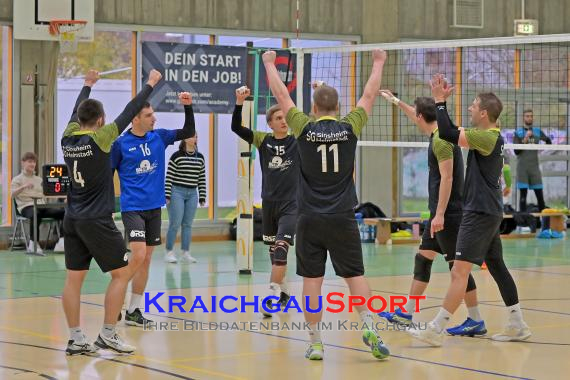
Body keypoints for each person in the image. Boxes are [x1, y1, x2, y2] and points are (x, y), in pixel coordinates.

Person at [263, 49, 390, 361]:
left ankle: (316, 342)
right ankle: (370, 326)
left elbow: (280, 93)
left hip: (308, 217)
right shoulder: (350, 127)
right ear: (337, 107)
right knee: (355, 276)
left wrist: (268, 63)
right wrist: (378, 62)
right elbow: (370, 93)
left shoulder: (303, 128)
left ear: (315, 108)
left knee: (312, 281)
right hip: (343, 216)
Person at [409, 74, 531, 346]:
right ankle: (517, 323)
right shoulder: (488, 136)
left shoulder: (487, 137)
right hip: (487, 211)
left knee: (458, 272)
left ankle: (435, 329)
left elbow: (449, 133)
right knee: (497, 266)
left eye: (474, 105)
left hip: (479, 214)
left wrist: (440, 101)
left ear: (485, 113)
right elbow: (450, 128)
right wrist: (439, 106)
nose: (471, 108)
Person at [61, 68, 162, 355]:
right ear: (101, 120)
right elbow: (131, 109)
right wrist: (151, 84)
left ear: (79, 120)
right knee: (122, 273)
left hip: (72, 218)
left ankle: (75, 338)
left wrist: (88, 84)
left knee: (73, 279)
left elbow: (74, 112)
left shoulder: (68, 137)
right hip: (96, 219)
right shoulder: (102, 138)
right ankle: (107, 333)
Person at [377, 91, 485, 336]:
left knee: (457, 269)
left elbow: (447, 177)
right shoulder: (438, 132)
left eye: (415, 113)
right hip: (441, 212)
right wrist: (395, 101)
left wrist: (440, 214)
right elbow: (415, 115)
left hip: (449, 214)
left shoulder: (441, 141)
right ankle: (407, 312)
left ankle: (475, 319)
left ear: (420, 116)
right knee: (423, 258)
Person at [111, 91, 196, 327]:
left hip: (154, 208)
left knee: (146, 259)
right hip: (133, 208)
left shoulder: (158, 137)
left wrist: (187, 107)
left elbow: (188, 132)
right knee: (138, 254)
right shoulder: (120, 145)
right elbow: (107, 176)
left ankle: (134, 310)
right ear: (135, 119)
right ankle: (116, 299)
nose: (154, 119)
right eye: (149, 115)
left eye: (153, 114)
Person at [230, 86, 298, 316]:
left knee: (281, 250)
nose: (283, 121)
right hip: (269, 203)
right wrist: (239, 102)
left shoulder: (297, 140)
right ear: (269, 123)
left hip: (292, 204)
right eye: (278, 118)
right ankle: (284, 292)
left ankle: (270, 297)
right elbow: (236, 127)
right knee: (273, 254)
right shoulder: (262, 139)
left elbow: (315, 127)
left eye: (285, 118)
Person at [513, 109, 559, 238]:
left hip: (534, 168)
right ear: (523, 118)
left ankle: (544, 227)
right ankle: (522, 226)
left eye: (531, 116)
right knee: (523, 196)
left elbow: (549, 141)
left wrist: (544, 148)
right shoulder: (518, 133)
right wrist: (525, 139)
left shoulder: (538, 132)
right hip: (522, 168)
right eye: (527, 116)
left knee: (540, 197)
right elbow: (516, 151)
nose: (529, 118)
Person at [164, 133, 206, 263]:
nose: (195, 139)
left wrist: (202, 196)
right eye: (192, 136)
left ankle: (185, 252)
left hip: (192, 193)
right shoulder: (176, 156)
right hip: (177, 191)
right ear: (185, 138)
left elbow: (201, 178)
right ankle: (169, 252)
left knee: (187, 224)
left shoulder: (200, 157)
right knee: (175, 223)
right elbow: (169, 177)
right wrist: (167, 195)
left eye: (197, 137)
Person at [11, 152, 65, 253]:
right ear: (23, 163)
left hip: (42, 206)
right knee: (35, 213)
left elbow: (48, 193)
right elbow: (12, 195)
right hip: (26, 207)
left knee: (65, 212)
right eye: (29, 162)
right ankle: (33, 243)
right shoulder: (17, 179)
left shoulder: (39, 179)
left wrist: (64, 197)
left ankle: (61, 241)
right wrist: (23, 187)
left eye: (34, 162)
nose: (32, 164)